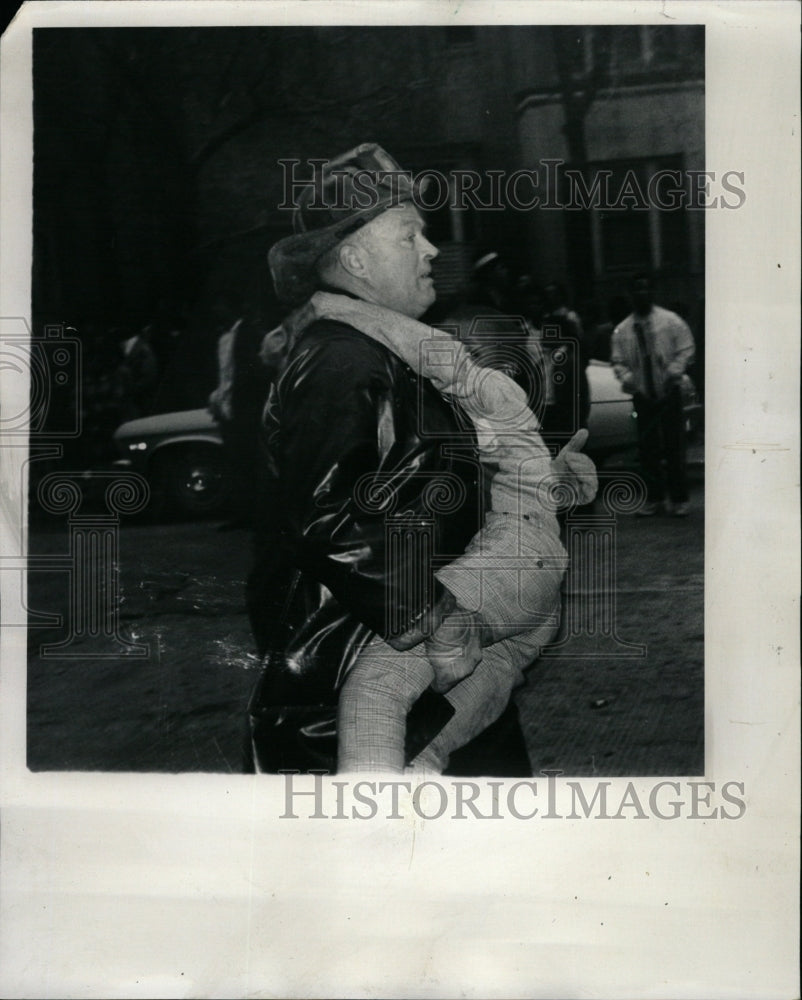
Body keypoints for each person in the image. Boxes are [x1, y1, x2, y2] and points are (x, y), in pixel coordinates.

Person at [245, 143, 593, 775]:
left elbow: (407, 484)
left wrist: (522, 482)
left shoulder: (381, 352)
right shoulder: (340, 361)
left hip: (419, 672)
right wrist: (434, 615)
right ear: (355, 259)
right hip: (365, 675)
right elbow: (332, 514)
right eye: (409, 236)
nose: (431, 250)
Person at [282, 289, 595, 772]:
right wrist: (560, 479)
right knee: (422, 746)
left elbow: (423, 347)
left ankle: (363, 827)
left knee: (377, 688)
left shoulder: (494, 393)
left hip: (515, 559)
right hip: (529, 608)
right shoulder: (497, 417)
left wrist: (327, 306)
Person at [611, 273, 696, 516]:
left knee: (673, 447)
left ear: (652, 292)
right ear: (630, 294)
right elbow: (618, 362)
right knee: (647, 449)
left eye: (645, 288)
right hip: (643, 395)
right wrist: (631, 381)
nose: (641, 294)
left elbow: (686, 348)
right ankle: (654, 498)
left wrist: (673, 371)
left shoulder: (670, 322)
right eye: (636, 289)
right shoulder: (623, 330)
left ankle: (679, 498)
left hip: (668, 391)